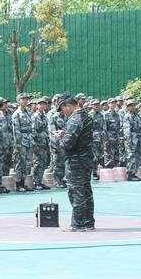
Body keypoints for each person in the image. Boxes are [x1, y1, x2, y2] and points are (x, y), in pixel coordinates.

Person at [56, 93, 95, 232]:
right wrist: (65, 133)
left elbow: (68, 143)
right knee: (86, 190)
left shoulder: (75, 119)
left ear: (67, 105)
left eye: (62, 109)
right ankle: (88, 222)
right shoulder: (86, 116)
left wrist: (60, 138)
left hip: (76, 160)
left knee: (76, 191)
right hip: (86, 157)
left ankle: (78, 224)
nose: (62, 113)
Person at [11, 93, 34, 191]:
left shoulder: (28, 113)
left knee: (27, 163)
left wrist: (33, 141)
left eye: (26, 99)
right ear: (18, 101)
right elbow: (16, 130)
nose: (25, 101)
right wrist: (18, 144)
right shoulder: (16, 114)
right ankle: (18, 184)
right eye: (23, 99)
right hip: (21, 141)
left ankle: (23, 182)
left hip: (28, 140)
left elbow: (31, 128)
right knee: (20, 162)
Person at [31, 97, 51, 190]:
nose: (43, 106)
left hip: (44, 142)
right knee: (37, 162)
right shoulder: (35, 116)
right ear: (37, 105)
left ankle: (39, 181)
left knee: (43, 162)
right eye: (40, 104)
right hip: (38, 142)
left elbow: (46, 129)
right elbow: (33, 130)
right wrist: (34, 144)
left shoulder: (44, 116)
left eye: (44, 104)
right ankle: (36, 182)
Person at [122, 99, 141, 181]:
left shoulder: (136, 115)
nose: (132, 107)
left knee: (137, 157)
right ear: (127, 107)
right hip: (131, 140)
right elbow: (127, 130)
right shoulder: (127, 116)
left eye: (133, 105)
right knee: (131, 156)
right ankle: (130, 174)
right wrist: (129, 141)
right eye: (130, 105)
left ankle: (134, 173)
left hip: (138, 138)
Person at [103, 98, 121, 168]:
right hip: (109, 139)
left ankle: (116, 171)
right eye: (112, 103)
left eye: (114, 103)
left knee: (116, 157)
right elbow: (104, 128)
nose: (113, 104)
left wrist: (120, 137)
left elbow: (119, 127)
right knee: (108, 157)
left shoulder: (117, 115)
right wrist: (105, 139)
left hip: (116, 139)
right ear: (108, 104)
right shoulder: (105, 115)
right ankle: (108, 171)